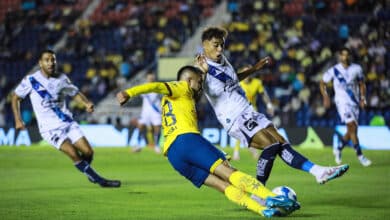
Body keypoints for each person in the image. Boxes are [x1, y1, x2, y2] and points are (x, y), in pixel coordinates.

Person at [116, 65, 300, 218]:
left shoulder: (174, 101)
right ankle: (272, 198)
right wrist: (128, 93)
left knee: (222, 185)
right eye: (199, 81)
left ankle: (262, 209)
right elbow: (155, 86)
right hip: (186, 140)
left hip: (173, 155)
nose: (201, 85)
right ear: (188, 80)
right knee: (229, 172)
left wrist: (205, 69)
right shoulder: (181, 86)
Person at [196, 26, 349, 187]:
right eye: (216, 45)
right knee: (271, 145)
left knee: (281, 142)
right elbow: (196, 93)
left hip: (247, 110)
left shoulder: (221, 59)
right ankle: (259, 192)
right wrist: (203, 74)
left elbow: (232, 79)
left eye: (222, 45)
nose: (220, 49)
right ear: (205, 44)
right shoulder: (200, 68)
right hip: (234, 118)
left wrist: (254, 69)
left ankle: (318, 171)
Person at [11, 49, 121, 188]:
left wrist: (86, 103)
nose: (51, 63)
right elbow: (15, 98)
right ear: (40, 63)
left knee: (88, 152)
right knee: (74, 154)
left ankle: (89, 173)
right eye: (47, 60)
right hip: (50, 129)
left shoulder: (62, 78)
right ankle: (100, 181)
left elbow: (75, 93)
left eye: (53, 60)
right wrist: (17, 119)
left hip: (67, 122)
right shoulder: (31, 80)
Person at [320, 47, 372, 167]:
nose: (345, 57)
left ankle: (338, 148)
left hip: (354, 102)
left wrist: (363, 98)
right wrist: (326, 97)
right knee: (351, 126)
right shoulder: (334, 70)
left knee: (352, 131)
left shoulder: (357, 69)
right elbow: (322, 82)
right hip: (342, 102)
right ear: (340, 56)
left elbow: (361, 83)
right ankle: (360, 156)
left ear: (350, 56)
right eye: (343, 55)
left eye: (347, 55)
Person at [233, 65, 275, 160]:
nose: (246, 76)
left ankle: (256, 148)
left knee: (256, 130)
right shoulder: (238, 83)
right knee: (241, 130)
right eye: (244, 73)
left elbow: (263, 94)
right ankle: (237, 152)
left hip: (252, 110)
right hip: (240, 110)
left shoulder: (257, 83)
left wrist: (269, 105)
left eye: (248, 73)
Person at [132, 72, 161, 154]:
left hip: (156, 111)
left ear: (154, 78)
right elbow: (137, 93)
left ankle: (157, 146)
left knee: (157, 128)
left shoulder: (158, 87)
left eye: (152, 78)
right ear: (147, 78)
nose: (151, 79)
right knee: (140, 126)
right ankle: (137, 145)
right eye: (149, 78)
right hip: (145, 112)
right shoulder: (144, 87)